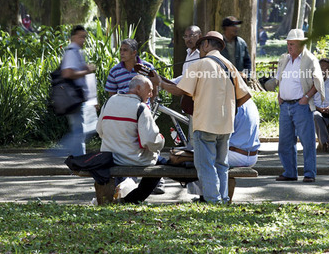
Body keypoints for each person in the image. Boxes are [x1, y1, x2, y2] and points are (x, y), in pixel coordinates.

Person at [153, 31, 251, 203]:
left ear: (206, 44)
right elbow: (243, 96)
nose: (199, 49)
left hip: (205, 124)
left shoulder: (199, 65)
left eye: (200, 46)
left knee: (205, 165)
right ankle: (223, 199)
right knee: (221, 165)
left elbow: (178, 91)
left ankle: (214, 201)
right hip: (226, 126)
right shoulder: (230, 66)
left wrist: (159, 82)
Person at [97, 75, 165, 204]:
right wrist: (161, 141)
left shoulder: (109, 101)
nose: (151, 94)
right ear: (138, 88)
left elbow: (99, 130)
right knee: (161, 164)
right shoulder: (141, 107)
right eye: (149, 90)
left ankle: (120, 198)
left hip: (109, 157)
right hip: (131, 159)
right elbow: (150, 140)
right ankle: (132, 200)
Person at [275, 29, 324, 183]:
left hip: (301, 105)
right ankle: (290, 172)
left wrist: (307, 97)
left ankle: (310, 173)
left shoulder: (310, 59)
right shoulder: (285, 59)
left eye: (292, 44)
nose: (289, 47)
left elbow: (318, 82)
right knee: (285, 141)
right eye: (288, 44)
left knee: (307, 141)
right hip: (285, 105)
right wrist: (279, 95)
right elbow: (280, 79)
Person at [188, 98, 261, 202]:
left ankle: (206, 196)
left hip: (236, 154)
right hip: (252, 155)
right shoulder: (249, 102)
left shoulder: (232, 104)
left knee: (201, 154)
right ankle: (219, 197)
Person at [58, 25, 97, 156]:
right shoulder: (71, 52)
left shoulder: (76, 52)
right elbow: (67, 73)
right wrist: (87, 70)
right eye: (81, 37)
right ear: (73, 37)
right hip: (73, 97)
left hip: (78, 98)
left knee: (83, 129)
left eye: (85, 37)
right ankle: (65, 155)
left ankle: (76, 158)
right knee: (80, 131)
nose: (83, 40)